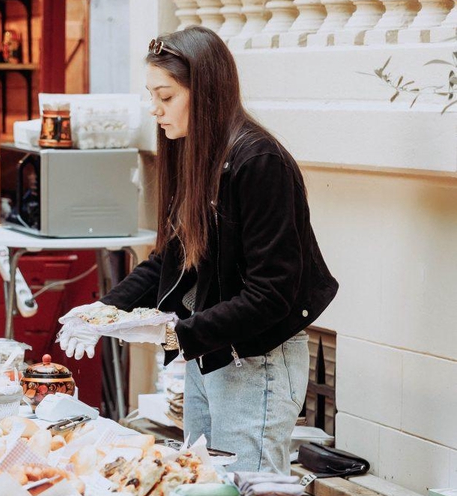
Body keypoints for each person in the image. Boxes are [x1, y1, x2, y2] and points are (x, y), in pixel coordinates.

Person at [98, 27, 338, 473]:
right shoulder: (195, 155)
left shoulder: (259, 162)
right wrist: (102, 312)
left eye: (166, 97)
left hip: (258, 359)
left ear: (204, 92)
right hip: (208, 352)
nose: (156, 110)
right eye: (152, 97)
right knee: (204, 489)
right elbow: (170, 260)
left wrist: (175, 335)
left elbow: (272, 292)